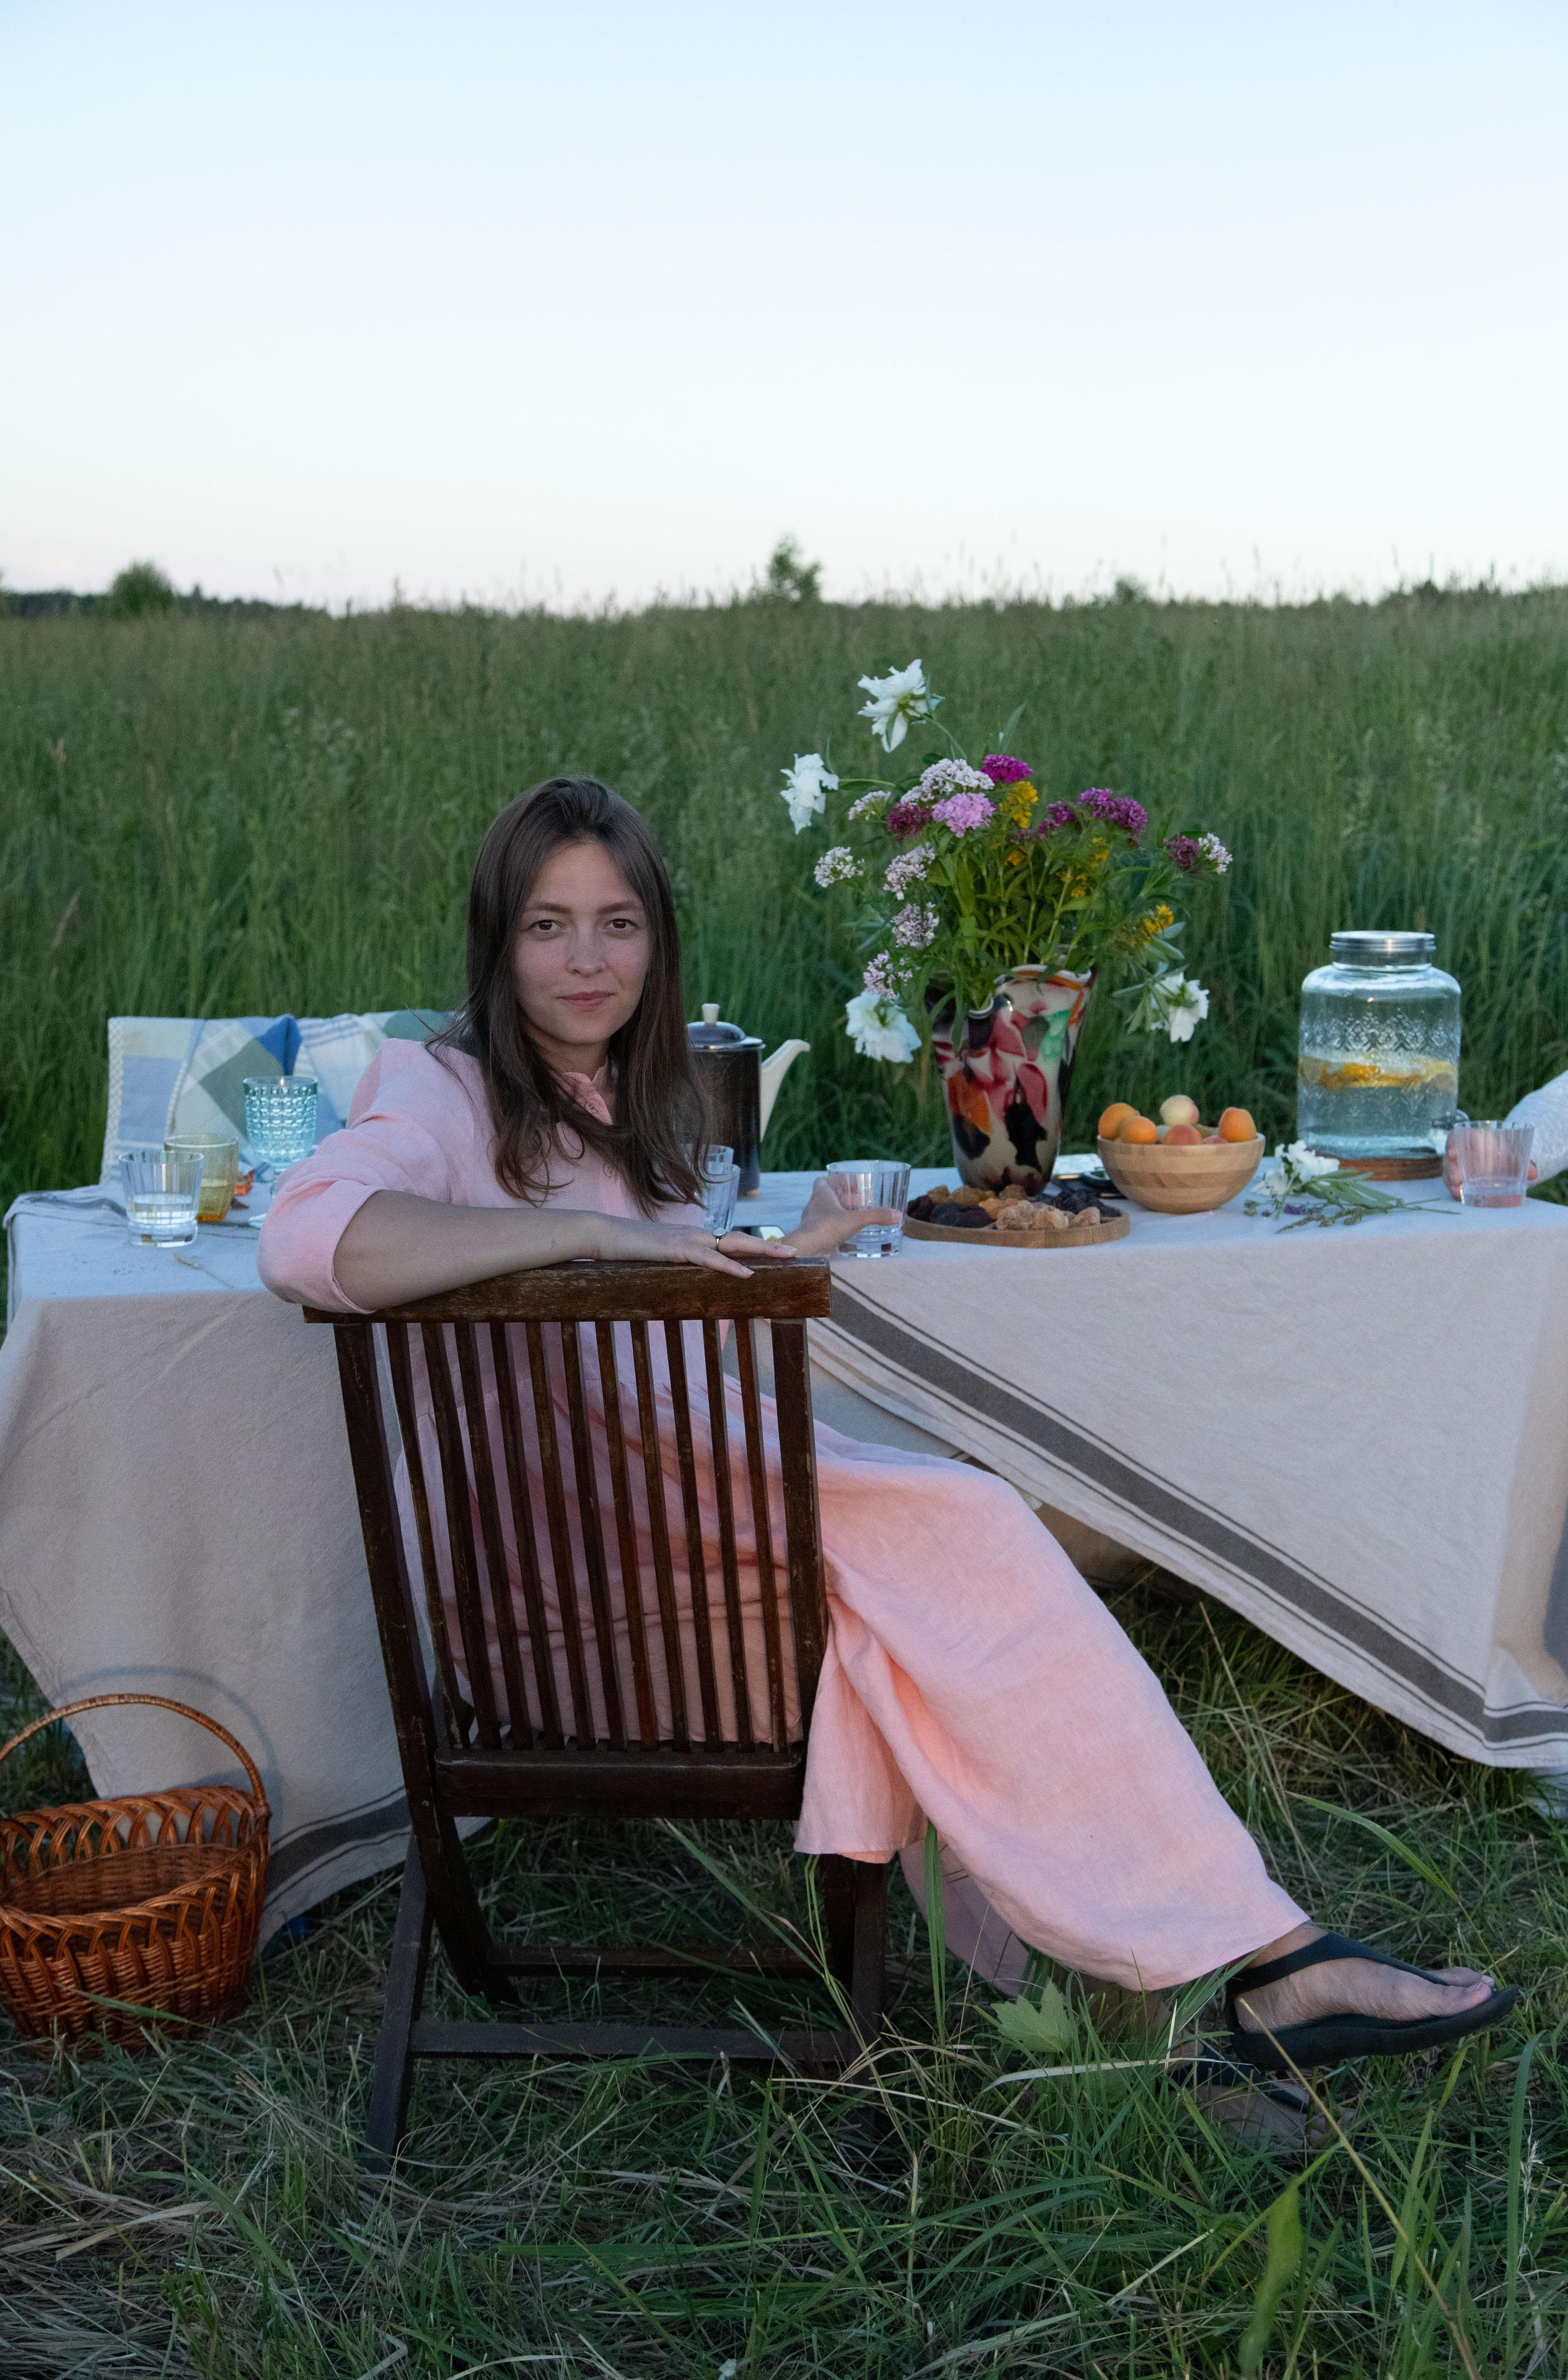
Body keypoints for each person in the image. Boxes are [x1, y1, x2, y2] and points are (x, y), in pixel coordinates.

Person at [258, 776, 1515, 2089]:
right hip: (569, 1606)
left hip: (674, 1542)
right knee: (966, 1535)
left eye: (617, 924)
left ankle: (1182, 1976)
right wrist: (590, 1236)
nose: (585, 960)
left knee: (935, 1570)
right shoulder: (438, 1089)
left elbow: (619, 1319)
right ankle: (1243, 1962)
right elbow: (307, 1238)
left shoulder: (609, 1110)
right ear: (494, 941)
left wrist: (711, 1249)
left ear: (658, 942)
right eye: (546, 925)